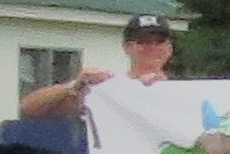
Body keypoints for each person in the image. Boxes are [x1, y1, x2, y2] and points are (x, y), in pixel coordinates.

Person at [18, 12, 180, 122]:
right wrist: (75, 85)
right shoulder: (106, 89)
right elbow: (28, 108)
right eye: (143, 42)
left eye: (159, 42)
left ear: (170, 48)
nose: (152, 48)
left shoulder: (184, 92)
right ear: (127, 47)